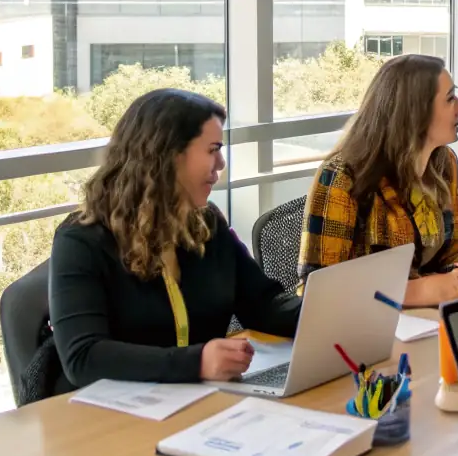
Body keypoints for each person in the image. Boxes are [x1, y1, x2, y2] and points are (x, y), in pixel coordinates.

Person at [50, 89, 300, 388]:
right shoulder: (81, 240)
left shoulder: (208, 225)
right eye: (212, 149)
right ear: (168, 155)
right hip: (110, 417)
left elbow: (263, 306)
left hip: (196, 403)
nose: (221, 164)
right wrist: (197, 363)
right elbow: (84, 357)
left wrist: (334, 313)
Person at [298, 54, 458, 306]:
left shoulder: (444, 163)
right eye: (450, 99)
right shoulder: (342, 176)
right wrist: (422, 290)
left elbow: (451, 255)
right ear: (415, 112)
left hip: (426, 321)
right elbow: (316, 291)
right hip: (365, 331)